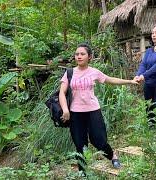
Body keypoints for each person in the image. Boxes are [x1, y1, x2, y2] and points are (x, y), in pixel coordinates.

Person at [59, 43, 138, 171]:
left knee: (99, 141)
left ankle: (112, 156)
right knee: (80, 145)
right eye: (77, 54)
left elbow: (110, 80)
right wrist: (65, 109)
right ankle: (83, 173)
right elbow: (62, 93)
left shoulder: (94, 72)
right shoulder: (69, 73)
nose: (79, 56)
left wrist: (129, 81)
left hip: (93, 112)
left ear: (89, 57)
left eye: (82, 54)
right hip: (75, 114)